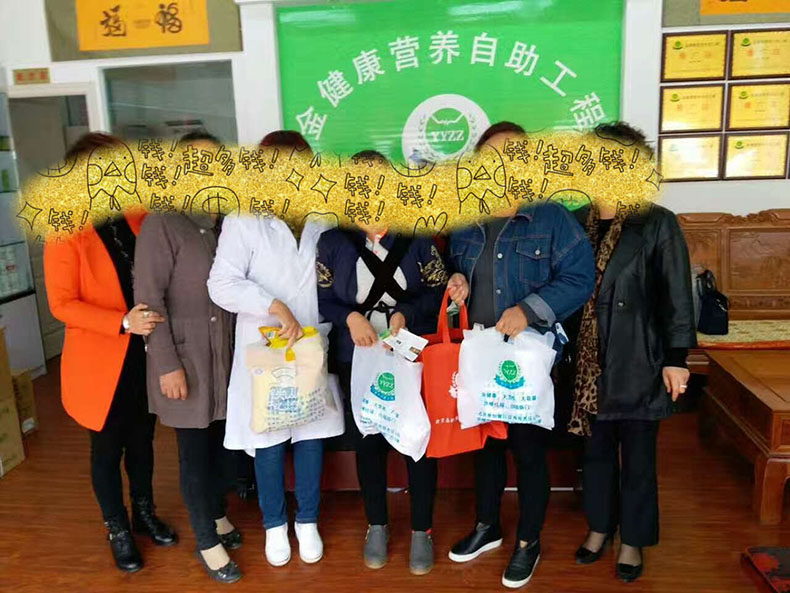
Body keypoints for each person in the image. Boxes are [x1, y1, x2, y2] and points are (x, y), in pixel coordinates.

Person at [445, 123, 595, 589]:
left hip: (527, 359)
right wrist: (456, 283)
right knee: (485, 447)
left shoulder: (551, 217)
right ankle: (487, 525)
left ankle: (529, 540)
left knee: (528, 452)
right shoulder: (466, 217)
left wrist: (529, 310)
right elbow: (455, 272)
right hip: (478, 354)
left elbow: (580, 279)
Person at [207, 131, 343, 568]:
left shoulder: (322, 215)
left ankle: (308, 521)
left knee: (310, 434)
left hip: (310, 341)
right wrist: (270, 304)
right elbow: (220, 284)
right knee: (268, 437)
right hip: (265, 345)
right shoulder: (245, 218)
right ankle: (274, 525)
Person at [43, 133, 177, 573]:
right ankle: (117, 529)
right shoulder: (65, 228)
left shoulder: (133, 216)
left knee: (142, 440)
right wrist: (121, 321)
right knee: (107, 449)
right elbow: (62, 304)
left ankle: (144, 514)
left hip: (144, 352)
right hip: (101, 361)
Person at [569, 122, 696, 583]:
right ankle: (600, 527)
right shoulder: (574, 220)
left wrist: (676, 358)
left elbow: (677, 296)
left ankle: (633, 539)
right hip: (586, 365)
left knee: (638, 459)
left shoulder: (656, 222)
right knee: (595, 454)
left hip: (638, 357)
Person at [316, 150, 448, 575]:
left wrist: (405, 314)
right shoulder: (333, 242)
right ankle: (376, 524)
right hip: (358, 354)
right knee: (368, 440)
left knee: (416, 437)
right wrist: (349, 317)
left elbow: (439, 291)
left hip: (409, 351)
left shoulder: (416, 237)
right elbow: (322, 298)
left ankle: (422, 529)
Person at [133, 131, 241, 583]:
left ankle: (216, 513)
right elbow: (147, 300)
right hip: (187, 358)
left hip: (227, 354)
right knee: (194, 451)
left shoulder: (226, 219)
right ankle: (207, 542)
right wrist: (166, 364)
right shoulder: (163, 222)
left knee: (219, 443)